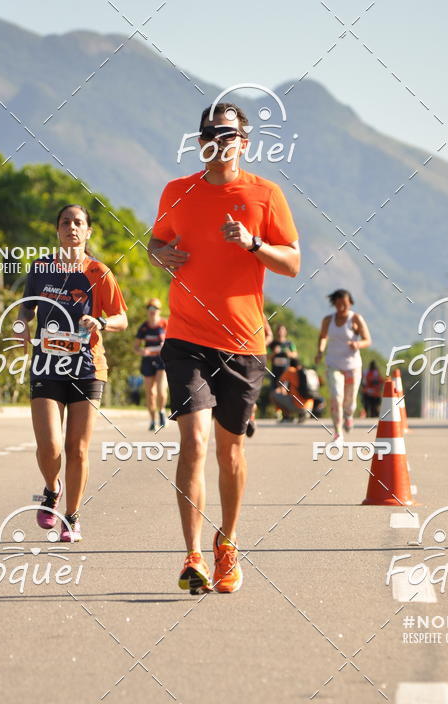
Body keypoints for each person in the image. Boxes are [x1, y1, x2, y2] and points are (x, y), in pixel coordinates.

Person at [148, 102, 300, 593]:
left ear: (244, 141)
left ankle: (227, 543)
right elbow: (156, 245)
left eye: (230, 134)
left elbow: (293, 263)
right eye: (212, 133)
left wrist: (254, 244)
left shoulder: (265, 194)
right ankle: (192, 554)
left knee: (229, 452)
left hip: (242, 342)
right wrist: (160, 255)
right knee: (193, 442)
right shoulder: (177, 191)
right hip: (186, 336)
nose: (221, 141)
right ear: (200, 142)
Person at [18, 204, 127, 542]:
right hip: (47, 365)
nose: (72, 227)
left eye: (79, 222)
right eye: (65, 222)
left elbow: (122, 318)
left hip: (88, 366)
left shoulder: (99, 272)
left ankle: (71, 517)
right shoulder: (41, 268)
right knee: (49, 446)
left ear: (88, 231)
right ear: (58, 230)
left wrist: (103, 322)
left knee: (77, 448)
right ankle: (52, 489)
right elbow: (26, 307)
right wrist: (21, 326)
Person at [315, 289, 371, 439]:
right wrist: (320, 352)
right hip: (333, 364)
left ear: (350, 303)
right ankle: (337, 431)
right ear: (334, 304)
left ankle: (349, 415)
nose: (341, 307)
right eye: (338, 303)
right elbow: (322, 337)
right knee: (336, 397)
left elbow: (367, 340)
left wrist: (357, 344)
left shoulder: (356, 319)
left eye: (345, 304)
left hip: (352, 365)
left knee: (349, 400)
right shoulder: (328, 320)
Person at [134, 298, 168, 430]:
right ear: (147, 311)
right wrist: (142, 351)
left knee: (160, 390)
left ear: (159, 311)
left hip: (162, 360)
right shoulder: (144, 327)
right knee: (150, 393)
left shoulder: (165, 324)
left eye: (155, 309)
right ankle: (153, 420)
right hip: (148, 361)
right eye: (150, 309)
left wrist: (165, 347)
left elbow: (172, 341)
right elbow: (136, 347)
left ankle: (162, 411)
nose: (152, 311)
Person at [246, 313, 273, 438]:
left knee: (250, 393)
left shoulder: (259, 314)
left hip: (255, 358)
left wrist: (259, 345)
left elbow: (269, 336)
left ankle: (250, 415)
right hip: (235, 356)